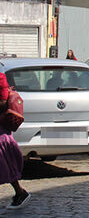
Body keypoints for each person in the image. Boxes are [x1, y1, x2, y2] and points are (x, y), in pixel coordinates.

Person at [0, 73, 29, 209]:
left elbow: (2, 102)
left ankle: (20, 192)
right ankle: (20, 192)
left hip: (1, 129)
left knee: (5, 161)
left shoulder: (0, 78)